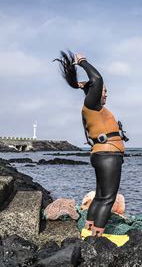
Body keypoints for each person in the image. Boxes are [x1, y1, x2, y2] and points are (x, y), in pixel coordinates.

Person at [54, 51, 127, 237]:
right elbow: (97, 78)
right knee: (108, 198)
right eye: (104, 91)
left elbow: (95, 84)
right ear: (95, 91)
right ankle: (97, 238)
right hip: (108, 155)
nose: (106, 95)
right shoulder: (92, 105)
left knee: (101, 197)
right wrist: (83, 62)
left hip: (103, 155)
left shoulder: (94, 108)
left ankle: (88, 230)